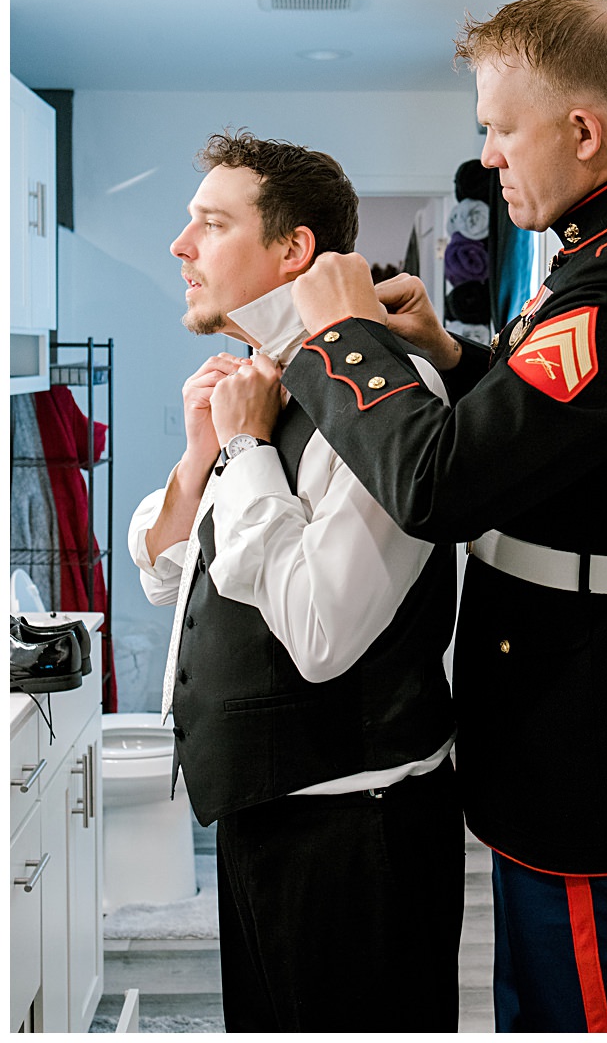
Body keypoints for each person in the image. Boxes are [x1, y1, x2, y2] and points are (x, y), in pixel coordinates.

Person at [277, 0, 607, 1032]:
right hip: (572, 703)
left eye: (499, 128)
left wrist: (336, 340)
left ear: (581, 130)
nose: (488, 156)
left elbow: (440, 482)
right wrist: (453, 356)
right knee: (541, 1000)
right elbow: (572, 423)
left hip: (590, 731)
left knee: (585, 1008)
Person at [128, 133, 461, 1031]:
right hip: (265, 821)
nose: (179, 245)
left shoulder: (391, 391)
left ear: (293, 251)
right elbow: (163, 569)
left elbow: (320, 637)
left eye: (210, 222)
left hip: (358, 841)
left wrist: (240, 451)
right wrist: (206, 458)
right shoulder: (251, 383)